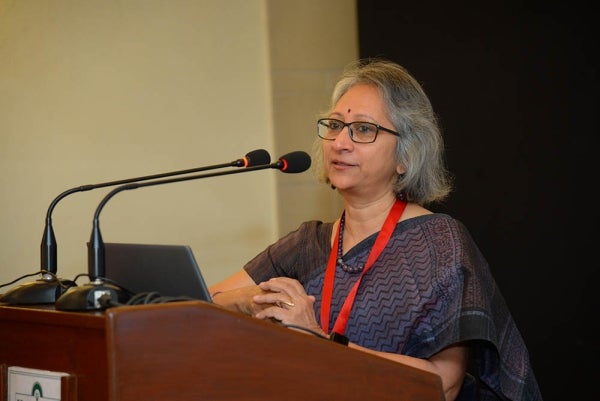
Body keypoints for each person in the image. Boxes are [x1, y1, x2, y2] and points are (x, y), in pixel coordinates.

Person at [209, 58, 542, 401]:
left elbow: (443, 384)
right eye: (335, 125)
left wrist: (320, 343)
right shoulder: (307, 243)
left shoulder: (439, 244)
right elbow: (198, 303)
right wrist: (251, 302)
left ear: (406, 156)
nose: (340, 142)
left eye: (364, 129)